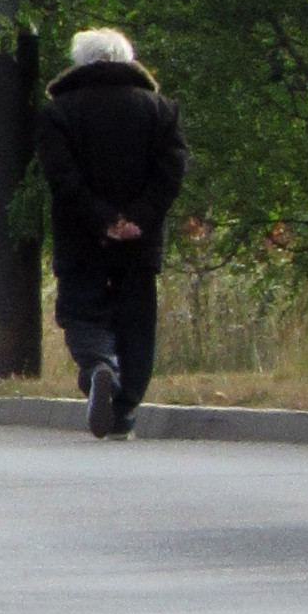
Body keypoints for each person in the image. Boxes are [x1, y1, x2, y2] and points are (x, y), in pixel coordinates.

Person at [34, 24, 189, 439]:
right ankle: (123, 412)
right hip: (141, 239)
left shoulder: (58, 113)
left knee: (81, 310)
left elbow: (62, 178)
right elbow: (171, 171)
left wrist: (103, 219)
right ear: (128, 60)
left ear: (80, 63)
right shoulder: (160, 111)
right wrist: (137, 217)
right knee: (136, 320)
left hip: (81, 235)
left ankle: (99, 364)